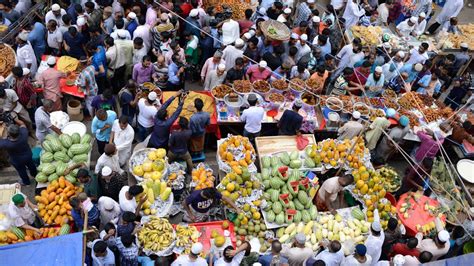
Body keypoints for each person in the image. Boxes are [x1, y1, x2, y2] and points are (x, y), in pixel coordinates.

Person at [0, 121, 35, 185]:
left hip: (17, 160)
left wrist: (3, 132)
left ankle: (26, 182)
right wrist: (16, 119)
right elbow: (22, 124)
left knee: (21, 171)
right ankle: (34, 174)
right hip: (28, 155)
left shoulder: (6, 143)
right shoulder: (24, 133)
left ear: (9, 134)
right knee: (31, 165)